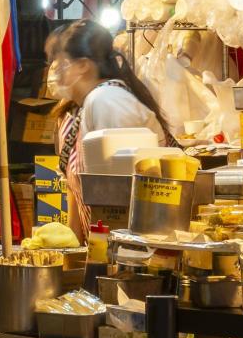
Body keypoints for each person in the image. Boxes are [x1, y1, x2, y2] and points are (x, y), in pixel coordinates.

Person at [47, 20, 174, 234]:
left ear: (83, 66)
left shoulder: (107, 101)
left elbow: (118, 196)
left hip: (135, 248)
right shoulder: (88, 105)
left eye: (61, 64)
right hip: (109, 245)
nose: (55, 73)